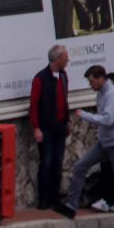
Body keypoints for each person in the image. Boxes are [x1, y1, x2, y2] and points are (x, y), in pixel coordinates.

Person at [58, 65, 114, 228]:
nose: (90, 85)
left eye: (91, 81)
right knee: (80, 166)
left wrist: (84, 114)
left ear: (100, 78)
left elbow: (108, 120)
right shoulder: (101, 93)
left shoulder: (113, 94)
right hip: (104, 143)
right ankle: (71, 206)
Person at [29, 45, 70, 210]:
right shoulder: (40, 78)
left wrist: (67, 121)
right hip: (46, 127)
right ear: (57, 59)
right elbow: (33, 105)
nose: (67, 60)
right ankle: (43, 198)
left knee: (58, 162)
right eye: (65, 57)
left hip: (60, 125)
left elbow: (65, 100)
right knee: (46, 162)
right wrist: (36, 128)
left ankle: (55, 196)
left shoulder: (63, 76)